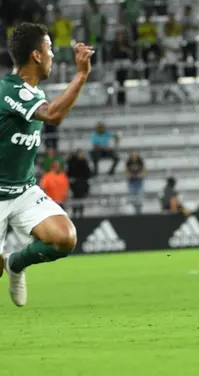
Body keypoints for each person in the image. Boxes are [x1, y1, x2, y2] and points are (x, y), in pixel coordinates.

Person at [0, 22, 93, 306]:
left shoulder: (33, 92)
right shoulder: (9, 91)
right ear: (36, 55)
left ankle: (16, 262)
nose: (52, 54)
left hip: (23, 190)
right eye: (49, 48)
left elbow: (56, 115)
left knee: (65, 238)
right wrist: (81, 74)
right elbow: (53, 114)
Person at [125, 150, 145, 214]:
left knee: (139, 195)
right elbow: (126, 172)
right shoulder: (128, 162)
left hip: (139, 181)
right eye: (133, 154)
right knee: (132, 195)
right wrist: (130, 175)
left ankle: (139, 208)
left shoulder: (140, 161)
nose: (134, 156)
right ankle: (134, 208)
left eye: (135, 154)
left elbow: (143, 171)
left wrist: (140, 175)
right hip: (131, 181)